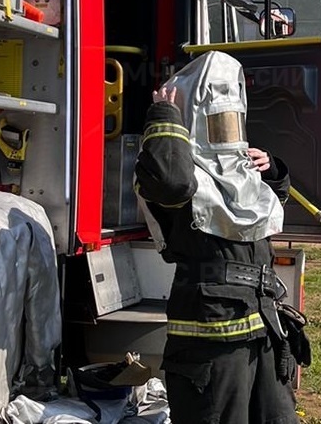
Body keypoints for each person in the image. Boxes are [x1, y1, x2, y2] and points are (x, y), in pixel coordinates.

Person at [134, 51, 297, 424]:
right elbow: (173, 185)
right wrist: (164, 118)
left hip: (263, 328)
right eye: (217, 120)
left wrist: (271, 170)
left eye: (231, 120)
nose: (225, 131)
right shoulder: (168, 164)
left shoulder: (236, 168)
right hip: (211, 340)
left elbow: (269, 206)